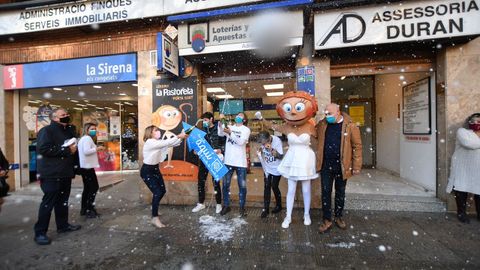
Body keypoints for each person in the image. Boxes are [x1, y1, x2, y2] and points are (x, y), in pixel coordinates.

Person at [255, 91, 319, 228]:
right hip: (292, 158)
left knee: (306, 189)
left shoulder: (311, 126)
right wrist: (261, 119)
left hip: (306, 159)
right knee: (291, 189)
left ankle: (306, 214)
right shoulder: (287, 126)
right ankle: (288, 216)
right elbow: (272, 126)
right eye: (290, 108)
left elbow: (321, 137)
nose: (294, 112)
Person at [34, 108, 81, 245]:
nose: (66, 116)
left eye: (67, 114)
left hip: (65, 173)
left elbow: (73, 151)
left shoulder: (69, 130)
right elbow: (44, 149)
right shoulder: (47, 131)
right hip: (50, 174)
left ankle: (63, 225)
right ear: (54, 118)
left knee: (62, 201)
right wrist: (66, 150)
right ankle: (40, 232)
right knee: (48, 203)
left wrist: (75, 167)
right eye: (63, 115)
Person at [316, 103, 362, 233]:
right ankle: (327, 220)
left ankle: (339, 217)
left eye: (329, 113)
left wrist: (356, 165)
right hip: (326, 165)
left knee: (340, 193)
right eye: (325, 113)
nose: (327, 116)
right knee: (325, 193)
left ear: (338, 112)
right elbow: (312, 131)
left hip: (342, 166)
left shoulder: (350, 126)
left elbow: (357, 146)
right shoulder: (323, 124)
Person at [141, 125, 187, 228]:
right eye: (156, 130)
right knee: (157, 192)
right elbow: (167, 142)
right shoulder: (150, 142)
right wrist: (179, 135)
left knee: (162, 191)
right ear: (150, 133)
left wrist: (182, 137)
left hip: (155, 169)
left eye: (158, 130)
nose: (158, 132)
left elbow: (172, 144)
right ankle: (154, 217)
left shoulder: (157, 142)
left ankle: (154, 207)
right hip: (147, 171)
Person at [446, 113, 480, 223]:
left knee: (478, 190)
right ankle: (461, 213)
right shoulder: (462, 131)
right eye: (473, 121)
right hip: (463, 166)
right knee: (461, 188)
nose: (476, 123)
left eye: (479, 122)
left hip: (477, 167)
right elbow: (468, 143)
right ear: (468, 122)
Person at [218, 112, 251, 217]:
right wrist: (220, 124)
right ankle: (226, 206)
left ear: (244, 120)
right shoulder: (230, 126)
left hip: (241, 162)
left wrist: (230, 133)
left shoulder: (246, 130)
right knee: (225, 185)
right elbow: (220, 133)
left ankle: (242, 208)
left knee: (242, 186)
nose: (238, 117)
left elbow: (241, 142)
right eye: (237, 115)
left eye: (241, 116)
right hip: (228, 161)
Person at [192, 112, 226, 214]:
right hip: (204, 158)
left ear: (211, 119)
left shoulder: (218, 129)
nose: (204, 122)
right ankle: (201, 203)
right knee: (201, 181)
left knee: (216, 182)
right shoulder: (201, 131)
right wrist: (195, 150)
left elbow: (224, 142)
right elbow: (197, 143)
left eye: (206, 120)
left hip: (215, 158)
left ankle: (219, 204)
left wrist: (221, 150)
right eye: (203, 121)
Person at [78, 123, 104, 218]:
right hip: (87, 167)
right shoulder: (87, 138)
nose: (94, 130)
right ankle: (90, 209)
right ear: (87, 130)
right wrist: (98, 148)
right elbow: (86, 151)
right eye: (92, 129)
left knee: (87, 188)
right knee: (93, 187)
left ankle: (84, 209)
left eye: (95, 129)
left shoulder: (83, 139)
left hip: (85, 167)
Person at [256, 130, 283, 218]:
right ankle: (266, 209)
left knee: (274, 186)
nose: (263, 144)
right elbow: (261, 150)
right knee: (267, 186)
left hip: (277, 168)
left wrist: (271, 149)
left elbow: (280, 156)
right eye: (261, 143)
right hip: (267, 168)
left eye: (263, 143)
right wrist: (260, 151)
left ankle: (279, 205)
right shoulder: (263, 141)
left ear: (268, 139)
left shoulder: (277, 141)